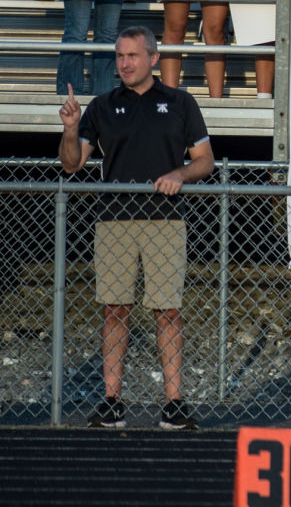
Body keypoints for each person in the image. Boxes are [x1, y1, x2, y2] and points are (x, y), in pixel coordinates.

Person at [59, 26, 212, 430]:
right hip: (115, 220)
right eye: (120, 56)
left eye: (132, 56)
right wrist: (72, 128)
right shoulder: (102, 105)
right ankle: (111, 402)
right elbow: (72, 164)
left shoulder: (180, 102)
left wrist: (180, 173)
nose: (124, 63)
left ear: (153, 58)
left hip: (165, 220)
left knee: (169, 312)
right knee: (114, 311)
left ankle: (174, 403)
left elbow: (205, 161)